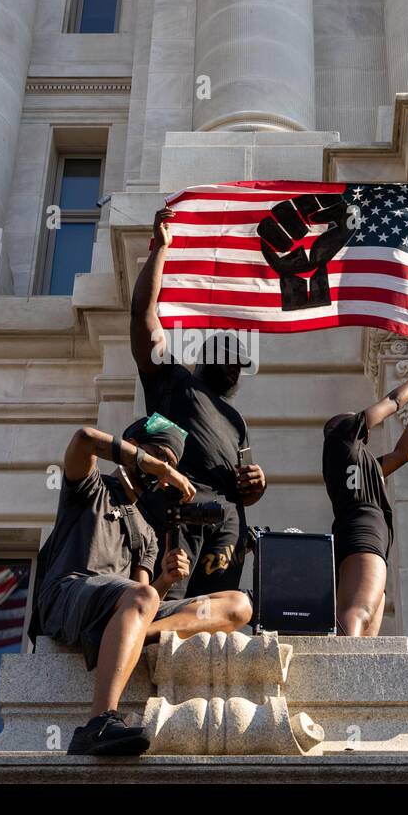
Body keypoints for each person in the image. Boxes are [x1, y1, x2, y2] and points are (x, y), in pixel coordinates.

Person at [29, 416, 253, 756]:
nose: (163, 468)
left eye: (172, 463)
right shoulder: (90, 488)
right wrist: (159, 467)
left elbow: (145, 598)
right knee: (142, 595)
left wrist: (166, 579)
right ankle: (99, 721)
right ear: (132, 447)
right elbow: (84, 438)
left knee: (238, 606)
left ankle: (128, 639)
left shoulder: (147, 533)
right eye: (158, 455)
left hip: (121, 608)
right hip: (69, 595)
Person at [130, 206, 266, 599]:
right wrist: (160, 249)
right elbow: (143, 315)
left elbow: (246, 489)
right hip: (178, 508)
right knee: (169, 606)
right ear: (205, 358)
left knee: (217, 616)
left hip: (228, 525)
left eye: (239, 365)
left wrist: (258, 483)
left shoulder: (237, 422)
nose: (233, 369)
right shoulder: (173, 381)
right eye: (225, 358)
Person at [322, 351, 408, 636]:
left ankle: (351, 671)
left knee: (368, 628)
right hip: (362, 534)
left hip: (370, 536)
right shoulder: (341, 438)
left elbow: (404, 453)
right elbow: (392, 401)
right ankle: (341, 672)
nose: (356, 417)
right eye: (351, 418)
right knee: (357, 613)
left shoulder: (368, 467)